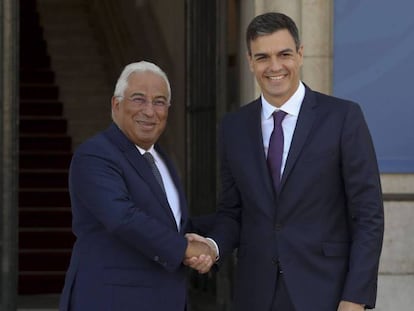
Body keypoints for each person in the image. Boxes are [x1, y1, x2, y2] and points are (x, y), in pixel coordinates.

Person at [187, 12, 384, 311]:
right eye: (263, 57)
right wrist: (212, 248)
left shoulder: (343, 118)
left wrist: (355, 297)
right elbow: (232, 211)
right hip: (256, 294)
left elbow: (368, 215)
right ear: (250, 61)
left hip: (326, 292)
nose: (275, 66)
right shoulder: (234, 128)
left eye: (284, 54)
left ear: (300, 54)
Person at [59, 61, 216, 311]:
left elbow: (173, 225)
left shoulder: (161, 158)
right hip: (111, 301)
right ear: (116, 104)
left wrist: (212, 245)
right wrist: (185, 249)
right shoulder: (95, 155)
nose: (150, 111)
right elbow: (123, 218)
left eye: (159, 102)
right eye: (139, 99)